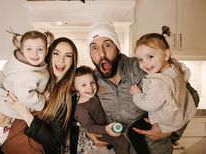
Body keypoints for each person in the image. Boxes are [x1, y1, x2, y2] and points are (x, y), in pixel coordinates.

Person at [85, 23, 199, 154]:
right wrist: (88, 133)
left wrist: (171, 131)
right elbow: (86, 112)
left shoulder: (144, 66)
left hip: (155, 149)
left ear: (117, 48)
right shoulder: (92, 81)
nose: (101, 53)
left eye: (107, 45)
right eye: (94, 48)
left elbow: (191, 96)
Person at [0, 37, 78, 154]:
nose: (61, 60)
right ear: (49, 55)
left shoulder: (68, 97)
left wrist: (25, 113)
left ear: (72, 61)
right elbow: (1, 102)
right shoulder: (32, 76)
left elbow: (54, 142)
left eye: (68, 55)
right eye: (56, 53)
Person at [0, 30, 53, 154]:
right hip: (7, 109)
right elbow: (26, 96)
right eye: (29, 49)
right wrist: (42, 98)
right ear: (22, 50)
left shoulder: (25, 65)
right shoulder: (26, 74)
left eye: (40, 49)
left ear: (47, 51)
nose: (35, 54)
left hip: (6, 106)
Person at [128, 27, 197, 153]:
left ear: (166, 55)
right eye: (140, 59)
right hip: (178, 115)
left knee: (132, 131)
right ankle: (173, 138)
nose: (144, 64)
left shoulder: (159, 82)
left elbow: (148, 105)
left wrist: (137, 94)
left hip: (165, 120)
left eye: (150, 56)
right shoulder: (175, 68)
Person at [74, 65, 129, 154]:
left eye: (92, 82)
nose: (90, 88)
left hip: (106, 125)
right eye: (83, 85)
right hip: (99, 132)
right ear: (75, 87)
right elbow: (90, 127)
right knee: (122, 141)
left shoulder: (94, 96)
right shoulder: (81, 109)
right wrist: (106, 129)